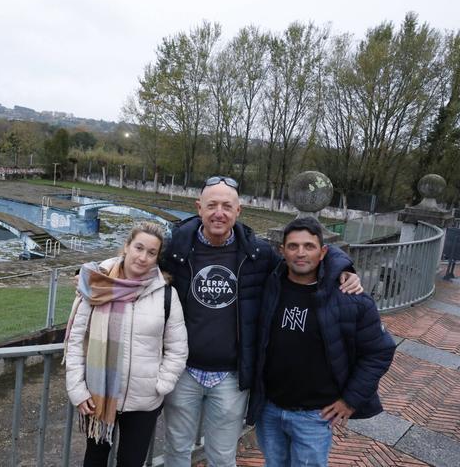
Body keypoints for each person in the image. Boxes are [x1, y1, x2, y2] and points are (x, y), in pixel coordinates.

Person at [159, 176, 362, 467]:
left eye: (227, 206)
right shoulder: (175, 250)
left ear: (238, 211)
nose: (219, 212)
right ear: (199, 208)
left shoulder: (258, 253)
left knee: (222, 455)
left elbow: (302, 256)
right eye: (212, 205)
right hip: (183, 372)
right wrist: (94, 277)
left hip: (231, 378)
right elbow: (136, 258)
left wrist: (344, 268)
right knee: (176, 449)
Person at [249, 217, 395, 466]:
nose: (301, 253)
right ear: (282, 251)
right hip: (270, 409)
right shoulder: (269, 287)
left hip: (315, 416)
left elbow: (379, 351)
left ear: (323, 252)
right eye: (293, 246)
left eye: (309, 246)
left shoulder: (350, 298)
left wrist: (351, 400)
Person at [64, 221, 188, 466]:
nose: (143, 257)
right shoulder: (96, 286)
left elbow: (177, 348)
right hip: (97, 397)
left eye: (151, 253)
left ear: (157, 258)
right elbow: (76, 342)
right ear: (126, 246)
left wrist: (161, 385)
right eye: (139, 248)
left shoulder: (165, 295)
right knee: (95, 460)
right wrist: (77, 391)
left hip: (144, 401)